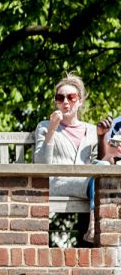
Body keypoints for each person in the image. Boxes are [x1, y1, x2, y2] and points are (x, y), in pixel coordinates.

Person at [34, 74, 96, 246]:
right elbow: (41, 165)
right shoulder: (45, 126)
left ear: (80, 101)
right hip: (58, 182)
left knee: (108, 181)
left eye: (71, 97)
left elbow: (98, 162)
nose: (66, 102)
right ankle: (93, 226)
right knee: (98, 182)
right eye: (60, 98)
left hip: (86, 184)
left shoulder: (92, 130)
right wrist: (52, 129)